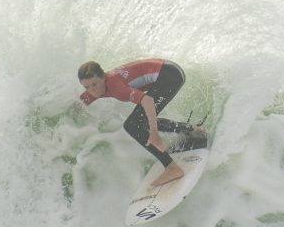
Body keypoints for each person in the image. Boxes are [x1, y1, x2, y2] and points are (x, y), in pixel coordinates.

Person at [78, 58, 196, 186]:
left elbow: (148, 101)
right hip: (168, 69)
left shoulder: (116, 87)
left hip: (170, 76)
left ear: (103, 77)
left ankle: (172, 168)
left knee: (133, 125)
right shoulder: (98, 88)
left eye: (94, 84)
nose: (92, 90)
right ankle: (190, 130)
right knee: (140, 121)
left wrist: (154, 133)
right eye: (87, 87)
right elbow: (79, 103)